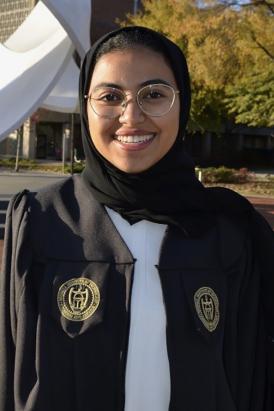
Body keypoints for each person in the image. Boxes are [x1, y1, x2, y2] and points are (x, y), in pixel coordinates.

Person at [0, 26, 273, 411]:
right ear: (86, 106)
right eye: (110, 96)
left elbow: (249, 376)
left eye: (155, 95)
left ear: (183, 104)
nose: (132, 116)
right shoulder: (43, 219)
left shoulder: (226, 230)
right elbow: (12, 364)